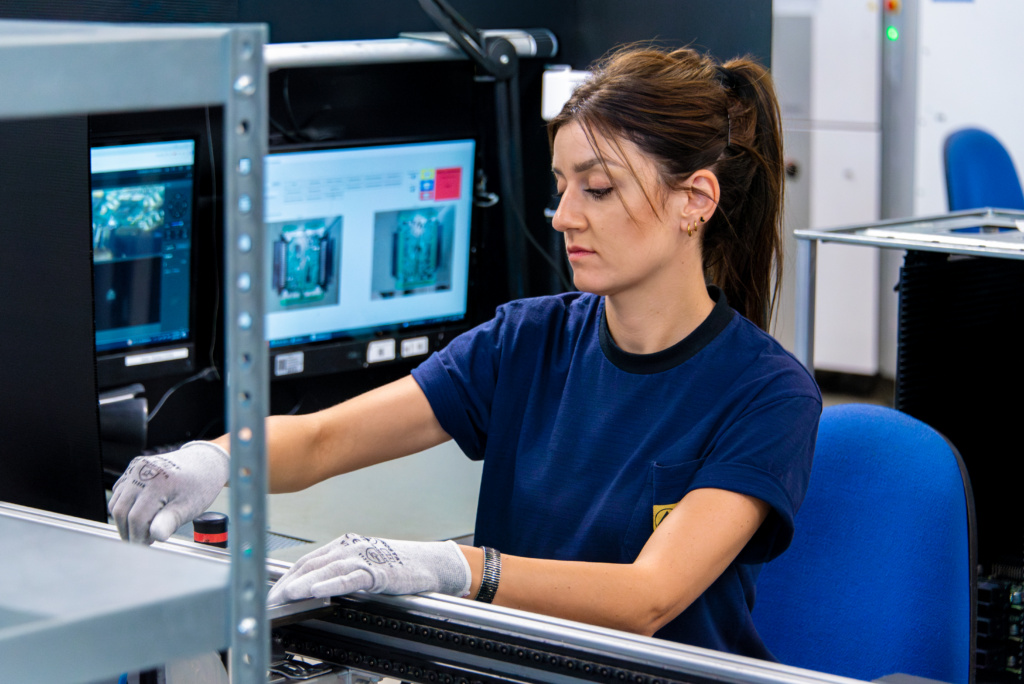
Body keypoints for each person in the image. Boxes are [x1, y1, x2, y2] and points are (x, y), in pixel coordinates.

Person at [109, 44, 821, 660]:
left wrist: (459, 567)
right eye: (561, 186)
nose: (565, 215)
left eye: (598, 188)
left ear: (695, 199)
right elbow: (324, 439)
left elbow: (649, 597)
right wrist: (217, 458)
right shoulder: (527, 341)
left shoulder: (766, 394)